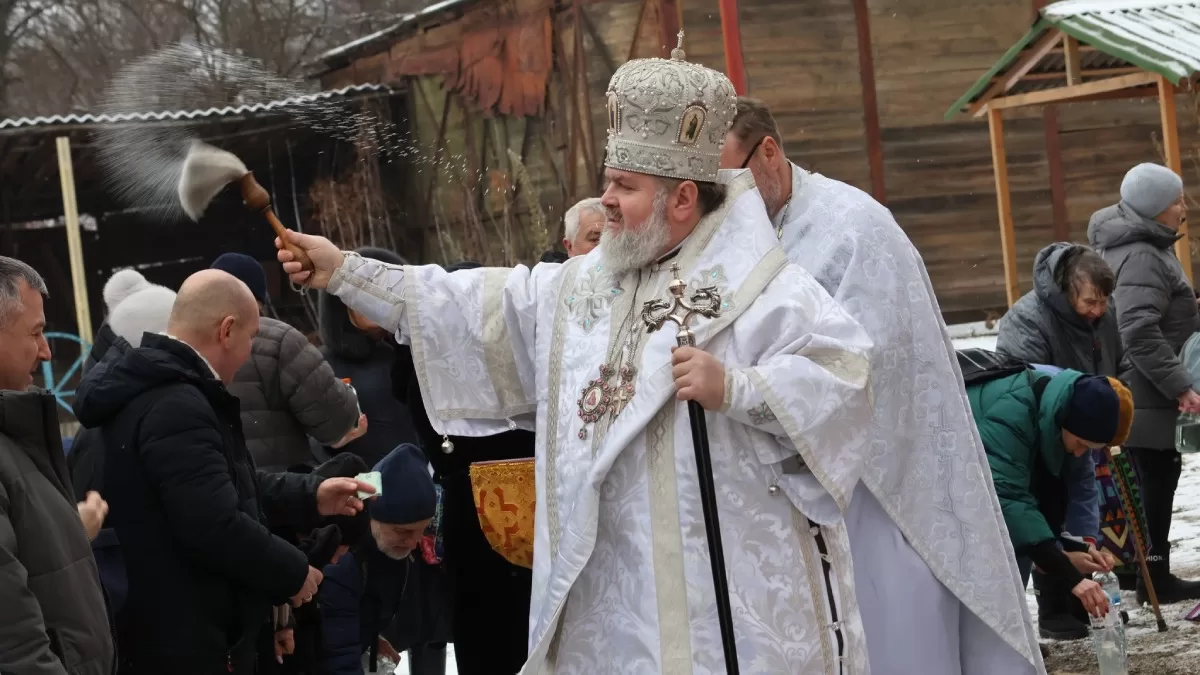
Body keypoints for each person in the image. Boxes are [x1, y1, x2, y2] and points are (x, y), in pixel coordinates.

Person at [283, 41, 897, 674]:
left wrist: (737, 388)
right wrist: (347, 273)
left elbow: (846, 379)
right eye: (607, 181)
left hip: (729, 608)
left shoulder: (765, 290)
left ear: (682, 198)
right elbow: (474, 305)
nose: (605, 199)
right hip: (616, 606)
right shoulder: (585, 285)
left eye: (624, 186)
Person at [719, 96, 1044, 670]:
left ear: (768, 152)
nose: (724, 201)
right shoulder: (736, 232)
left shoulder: (853, 227)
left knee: (895, 631)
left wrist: (760, 384)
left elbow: (868, 360)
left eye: (729, 180)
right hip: (781, 480)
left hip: (880, 480)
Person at [73, 269, 374, 675]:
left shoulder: (158, 390)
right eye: (251, 337)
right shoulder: (175, 403)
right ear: (227, 330)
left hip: (165, 629)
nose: (250, 352)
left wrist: (311, 494)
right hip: (180, 637)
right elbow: (211, 521)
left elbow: (222, 485)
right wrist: (292, 572)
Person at [391, 263, 534, 675]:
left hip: (480, 507)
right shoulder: (506, 347)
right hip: (505, 507)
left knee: (488, 636)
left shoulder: (429, 349)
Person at [996, 242, 1128, 637]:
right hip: (1041, 429)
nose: (1098, 311)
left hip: (1084, 421)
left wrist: (1109, 413)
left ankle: (1080, 593)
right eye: (1090, 302)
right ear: (1067, 289)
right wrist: (1071, 420)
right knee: (1040, 507)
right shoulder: (1028, 318)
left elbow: (1118, 363)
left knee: (1084, 494)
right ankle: (1051, 607)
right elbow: (1019, 376)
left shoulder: (1103, 315)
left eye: (1104, 302)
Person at [1089, 162, 1200, 604]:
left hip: (1145, 383)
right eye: (1176, 200)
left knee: (1153, 478)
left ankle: (1149, 574)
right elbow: (1137, 330)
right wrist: (1181, 386)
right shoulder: (1141, 254)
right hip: (1147, 387)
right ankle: (1155, 576)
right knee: (1156, 479)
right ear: (1155, 207)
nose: (1183, 207)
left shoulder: (1142, 245)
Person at [0, 256, 114, 675]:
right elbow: (14, 645)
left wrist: (70, 531)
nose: (47, 351)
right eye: (35, 333)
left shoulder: (15, 435)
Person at [967, 369, 1133, 619]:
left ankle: (1010, 628)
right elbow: (1011, 502)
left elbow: (1068, 491)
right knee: (989, 584)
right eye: (1081, 444)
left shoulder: (1064, 421)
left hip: (995, 501)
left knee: (1019, 560)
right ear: (1066, 421)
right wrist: (1071, 575)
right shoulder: (1012, 414)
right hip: (952, 497)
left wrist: (1080, 546)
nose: (1080, 453)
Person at [211, 253, 364, 471]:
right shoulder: (278, 340)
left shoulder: (185, 343)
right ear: (259, 297)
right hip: (282, 484)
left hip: (214, 487)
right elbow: (337, 421)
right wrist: (348, 396)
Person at [320, 444, 444, 675]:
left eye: (422, 530)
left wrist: (370, 637)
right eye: (402, 531)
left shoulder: (387, 547)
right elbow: (336, 655)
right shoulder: (341, 561)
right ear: (372, 517)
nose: (413, 543)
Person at [318, 247, 419, 468]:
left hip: (424, 481)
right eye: (365, 291)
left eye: (387, 290)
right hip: (359, 483)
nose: (378, 300)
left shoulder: (414, 355)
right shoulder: (321, 364)